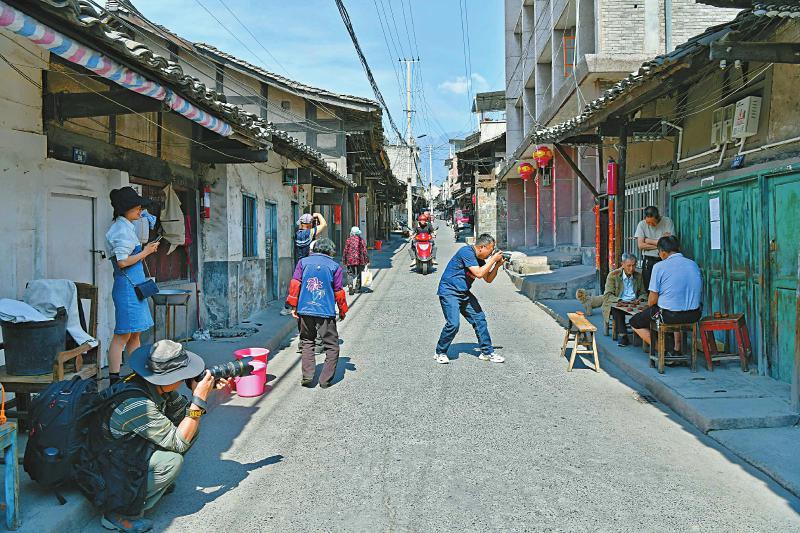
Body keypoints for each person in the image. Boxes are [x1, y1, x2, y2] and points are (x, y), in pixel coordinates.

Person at [83, 340, 229, 532]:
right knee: (172, 461)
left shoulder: (153, 386)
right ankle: (117, 513)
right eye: (181, 375)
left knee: (190, 428)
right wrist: (199, 399)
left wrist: (199, 392)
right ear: (167, 378)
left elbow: (184, 417)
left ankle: (149, 485)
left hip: (124, 452)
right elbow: (180, 442)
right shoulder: (138, 404)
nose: (185, 377)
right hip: (106, 468)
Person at [105, 187, 160, 385]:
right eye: (137, 208)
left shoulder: (126, 225)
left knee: (135, 333)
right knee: (122, 335)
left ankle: (138, 373)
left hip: (134, 287)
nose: (140, 210)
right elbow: (122, 261)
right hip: (127, 289)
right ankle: (113, 379)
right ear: (126, 209)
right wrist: (146, 252)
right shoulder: (120, 230)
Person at [286, 238, 348, 388]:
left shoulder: (303, 262)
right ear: (330, 250)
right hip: (325, 312)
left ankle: (307, 376)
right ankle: (324, 380)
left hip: (304, 310)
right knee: (332, 346)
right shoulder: (335, 267)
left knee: (307, 341)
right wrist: (342, 310)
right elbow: (338, 292)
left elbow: (295, 285)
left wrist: (293, 306)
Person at [435, 233, 506, 364]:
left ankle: (487, 352)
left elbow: (488, 279)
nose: (490, 254)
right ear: (482, 247)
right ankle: (440, 351)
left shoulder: (480, 259)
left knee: (480, 319)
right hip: (449, 292)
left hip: (464, 293)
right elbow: (479, 274)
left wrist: (496, 265)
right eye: (490, 250)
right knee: (453, 324)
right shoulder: (466, 252)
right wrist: (493, 259)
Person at [630, 236, 703, 353]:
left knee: (634, 322)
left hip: (670, 316)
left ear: (663, 253)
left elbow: (652, 301)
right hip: (694, 315)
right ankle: (676, 348)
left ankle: (662, 349)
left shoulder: (659, 267)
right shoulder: (693, 264)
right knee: (673, 305)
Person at [577, 253, 646, 346]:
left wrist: (640, 299)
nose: (631, 268)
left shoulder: (638, 276)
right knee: (616, 309)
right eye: (629, 266)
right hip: (619, 302)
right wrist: (621, 300)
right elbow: (608, 295)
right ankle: (623, 335)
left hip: (634, 303)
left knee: (645, 310)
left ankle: (642, 335)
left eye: (634, 265)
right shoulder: (613, 275)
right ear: (622, 264)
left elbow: (643, 293)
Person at [281, 212, 329, 316]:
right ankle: (290, 306)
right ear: (310, 224)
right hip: (309, 263)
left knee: (298, 284)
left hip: (300, 263)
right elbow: (324, 224)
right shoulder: (309, 233)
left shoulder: (298, 234)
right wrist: (319, 215)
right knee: (312, 284)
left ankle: (289, 306)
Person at [634, 206, 675, 290]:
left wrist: (648, 240)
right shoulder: (641, 224)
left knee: (664, 286)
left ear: (658, 217)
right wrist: (660, 244)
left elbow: (670, 243)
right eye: (648, 222)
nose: (650, 225)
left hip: (664, 259)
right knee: (649, 286)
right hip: (649, 260)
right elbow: (640, 245)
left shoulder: (667, 222)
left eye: (653, 223)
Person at [343, 226, 369, 294]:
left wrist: (344, 260)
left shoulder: (348, 240)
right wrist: (367, 260)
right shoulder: (361, 240)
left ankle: (350, 285)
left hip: (350, 259)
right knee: (359, 274)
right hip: (360, 260)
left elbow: (345, 251)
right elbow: (364, 251)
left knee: (350, 273)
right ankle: (357, 289)